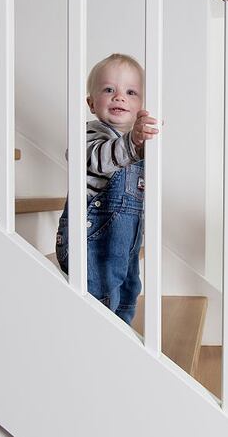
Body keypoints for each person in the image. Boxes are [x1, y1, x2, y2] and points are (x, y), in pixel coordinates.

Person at [55, 53, 159, 325]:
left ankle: (118, 345)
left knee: (128, 296)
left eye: (131, 92)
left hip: (125, 245)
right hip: (92, 245)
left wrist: (143, 143)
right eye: (109, 89)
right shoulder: (89, 135)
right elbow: (100, 159)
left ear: (141, 106)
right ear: (91, 103)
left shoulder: (138, 146)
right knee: (99, 306)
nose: (119, 97)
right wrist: (134, 142)